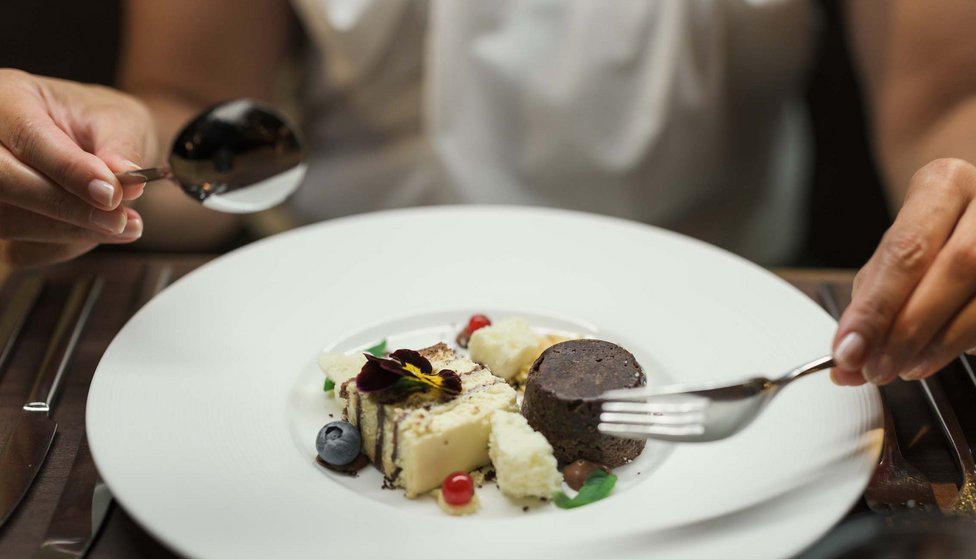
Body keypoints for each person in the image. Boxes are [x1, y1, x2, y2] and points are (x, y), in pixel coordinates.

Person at [1, 0, 975, 390]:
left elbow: (948, 103)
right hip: (310, 321)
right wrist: (92, 163)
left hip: (722, 330)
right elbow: (182, 110)